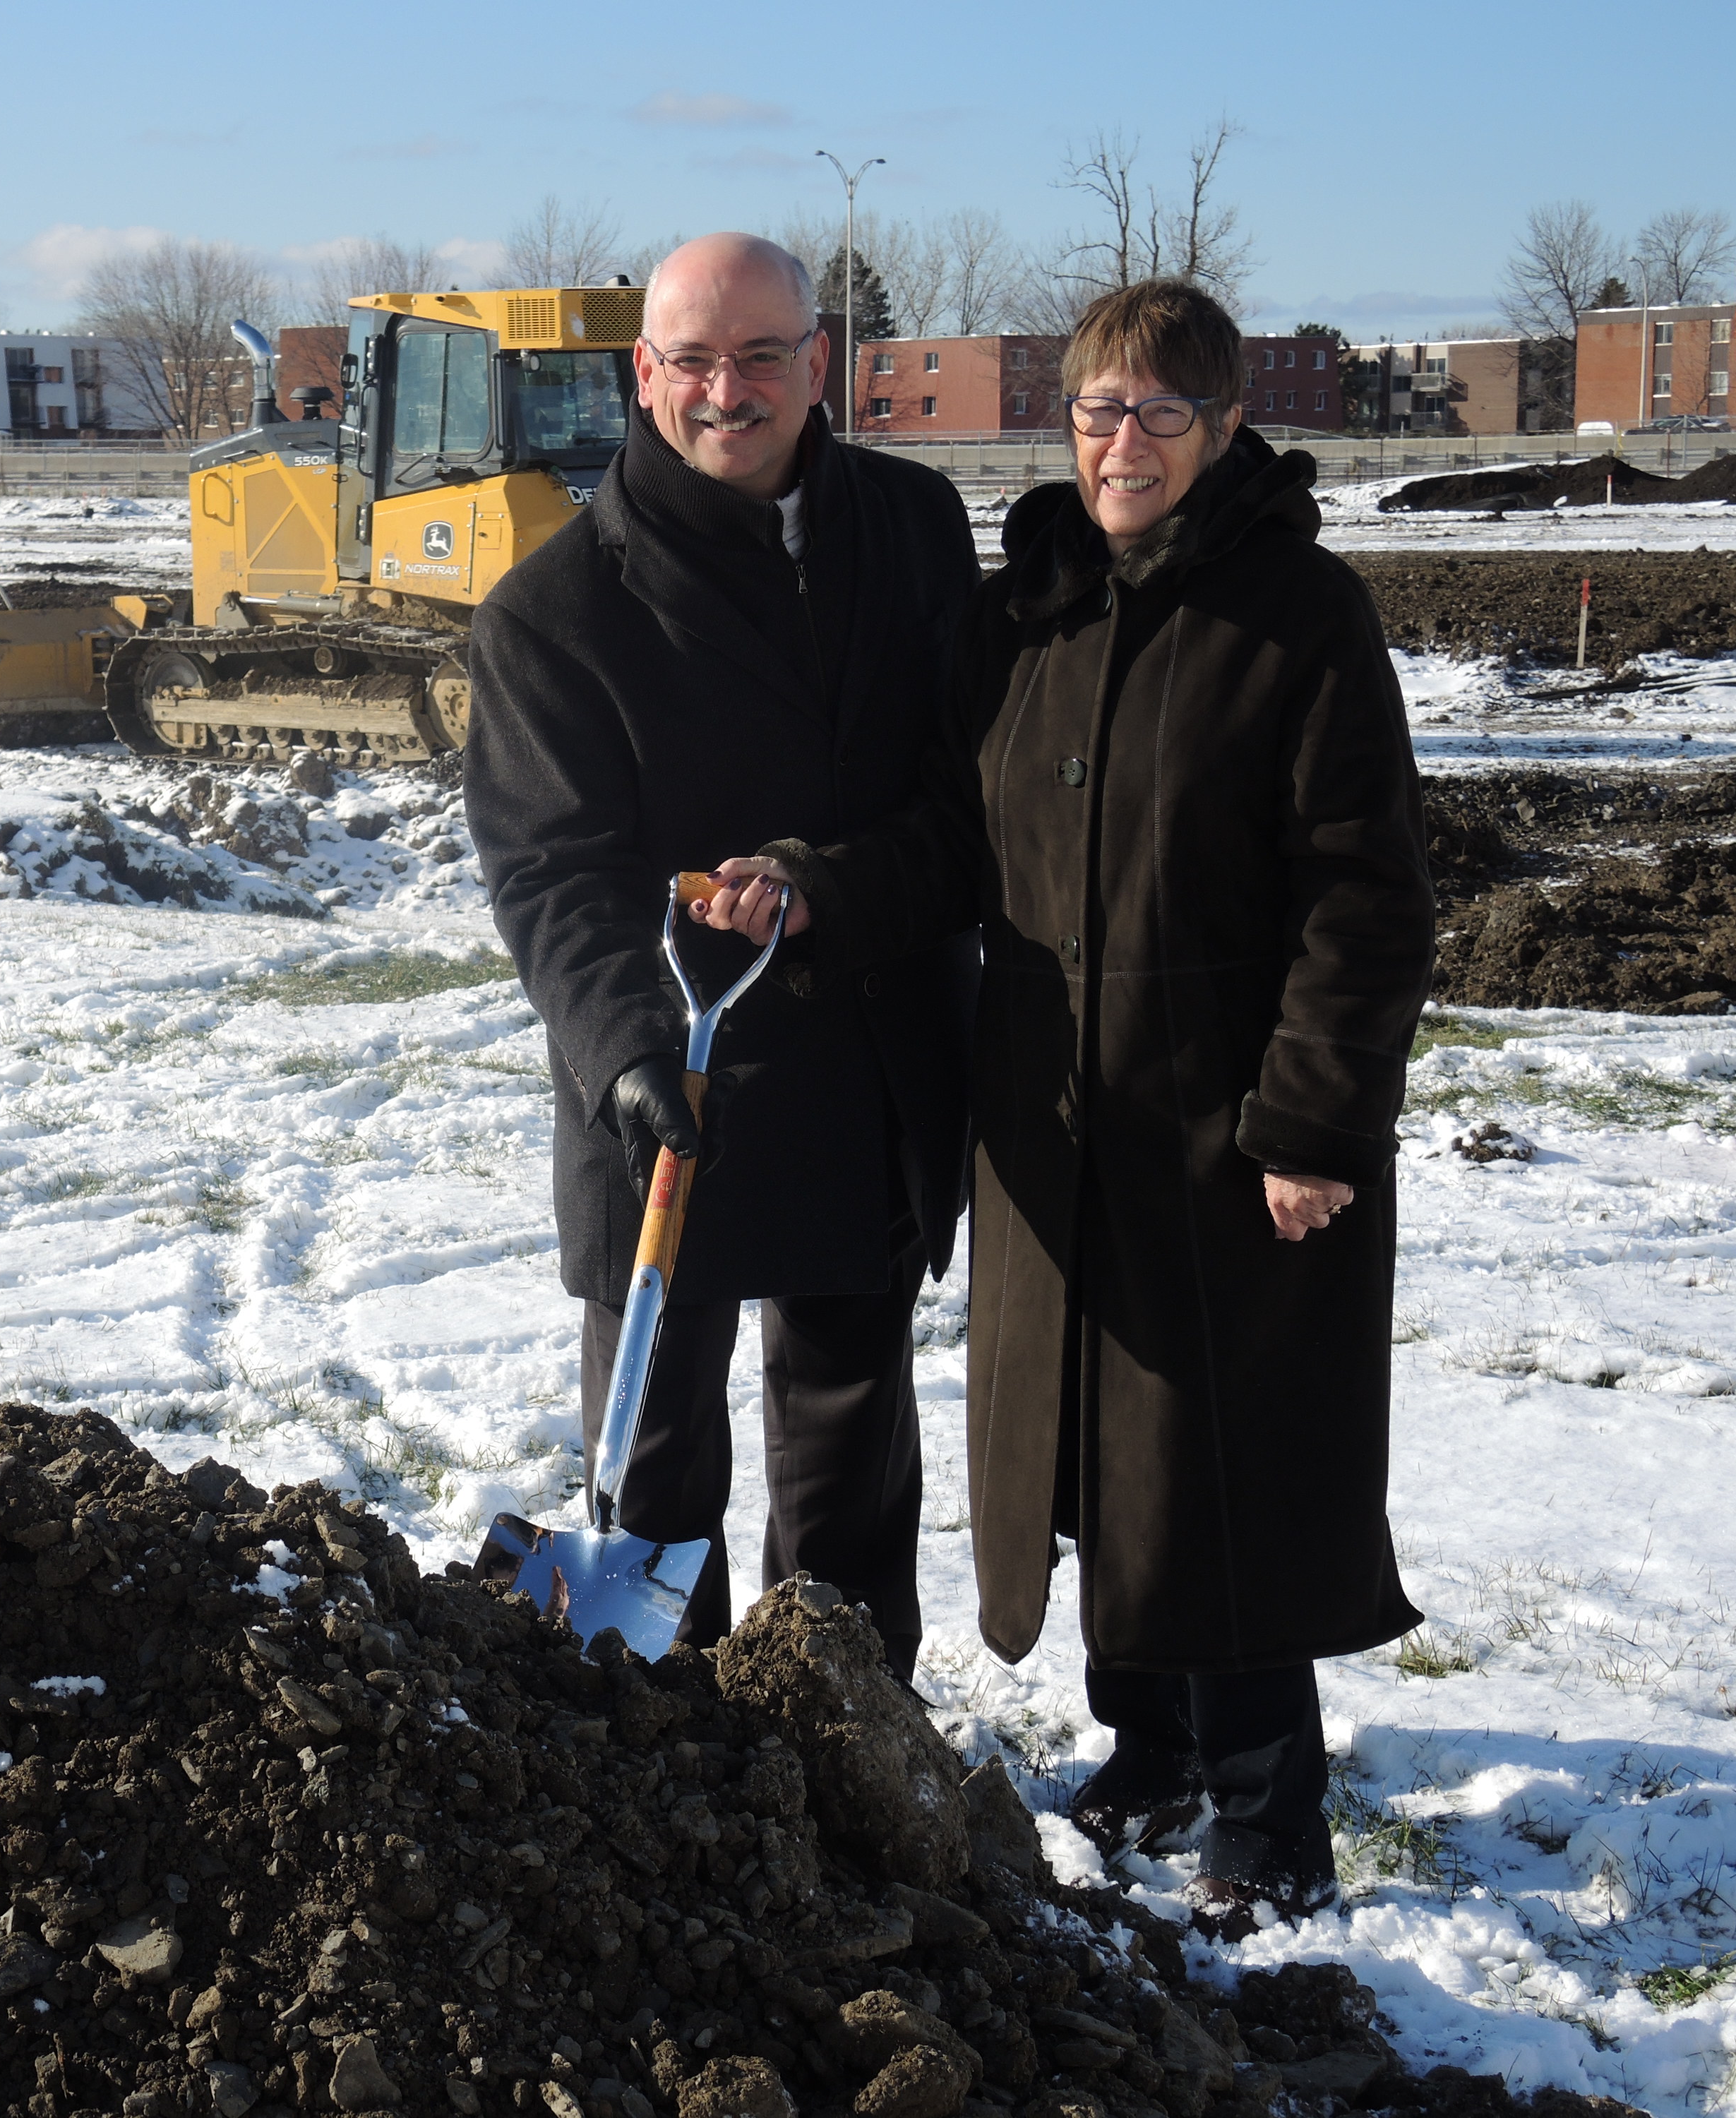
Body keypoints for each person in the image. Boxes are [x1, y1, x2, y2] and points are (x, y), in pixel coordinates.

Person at [700, 279, 1435, 1936]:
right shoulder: (1026, 614)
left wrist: (1313, 1122)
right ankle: (1149, 1746)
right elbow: (951, 846)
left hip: (1225, 1129)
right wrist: (814, 885)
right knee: (1098, 1462)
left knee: (1219, 1469)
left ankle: (1267, 1809)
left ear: (1226, 429)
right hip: (1048, 1115)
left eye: (1160, 415)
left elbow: (1364, 899)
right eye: (1098, 410)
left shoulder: (1297, 617)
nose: (1121, 443)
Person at [462, 232, 983, 1678]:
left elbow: (963, 802)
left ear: (819, 364)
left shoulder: (913, 533)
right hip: (665, 1081)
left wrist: (826, 892)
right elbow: (551, 872)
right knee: (652, 1465)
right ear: (642, 375)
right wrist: (625, 1050)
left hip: (866, 1063)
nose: (726, 390)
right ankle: (646, 1748)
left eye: (761, 356)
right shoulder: (552, 616)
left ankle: (840, 1726)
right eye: (690, 359)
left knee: (847, 1455)